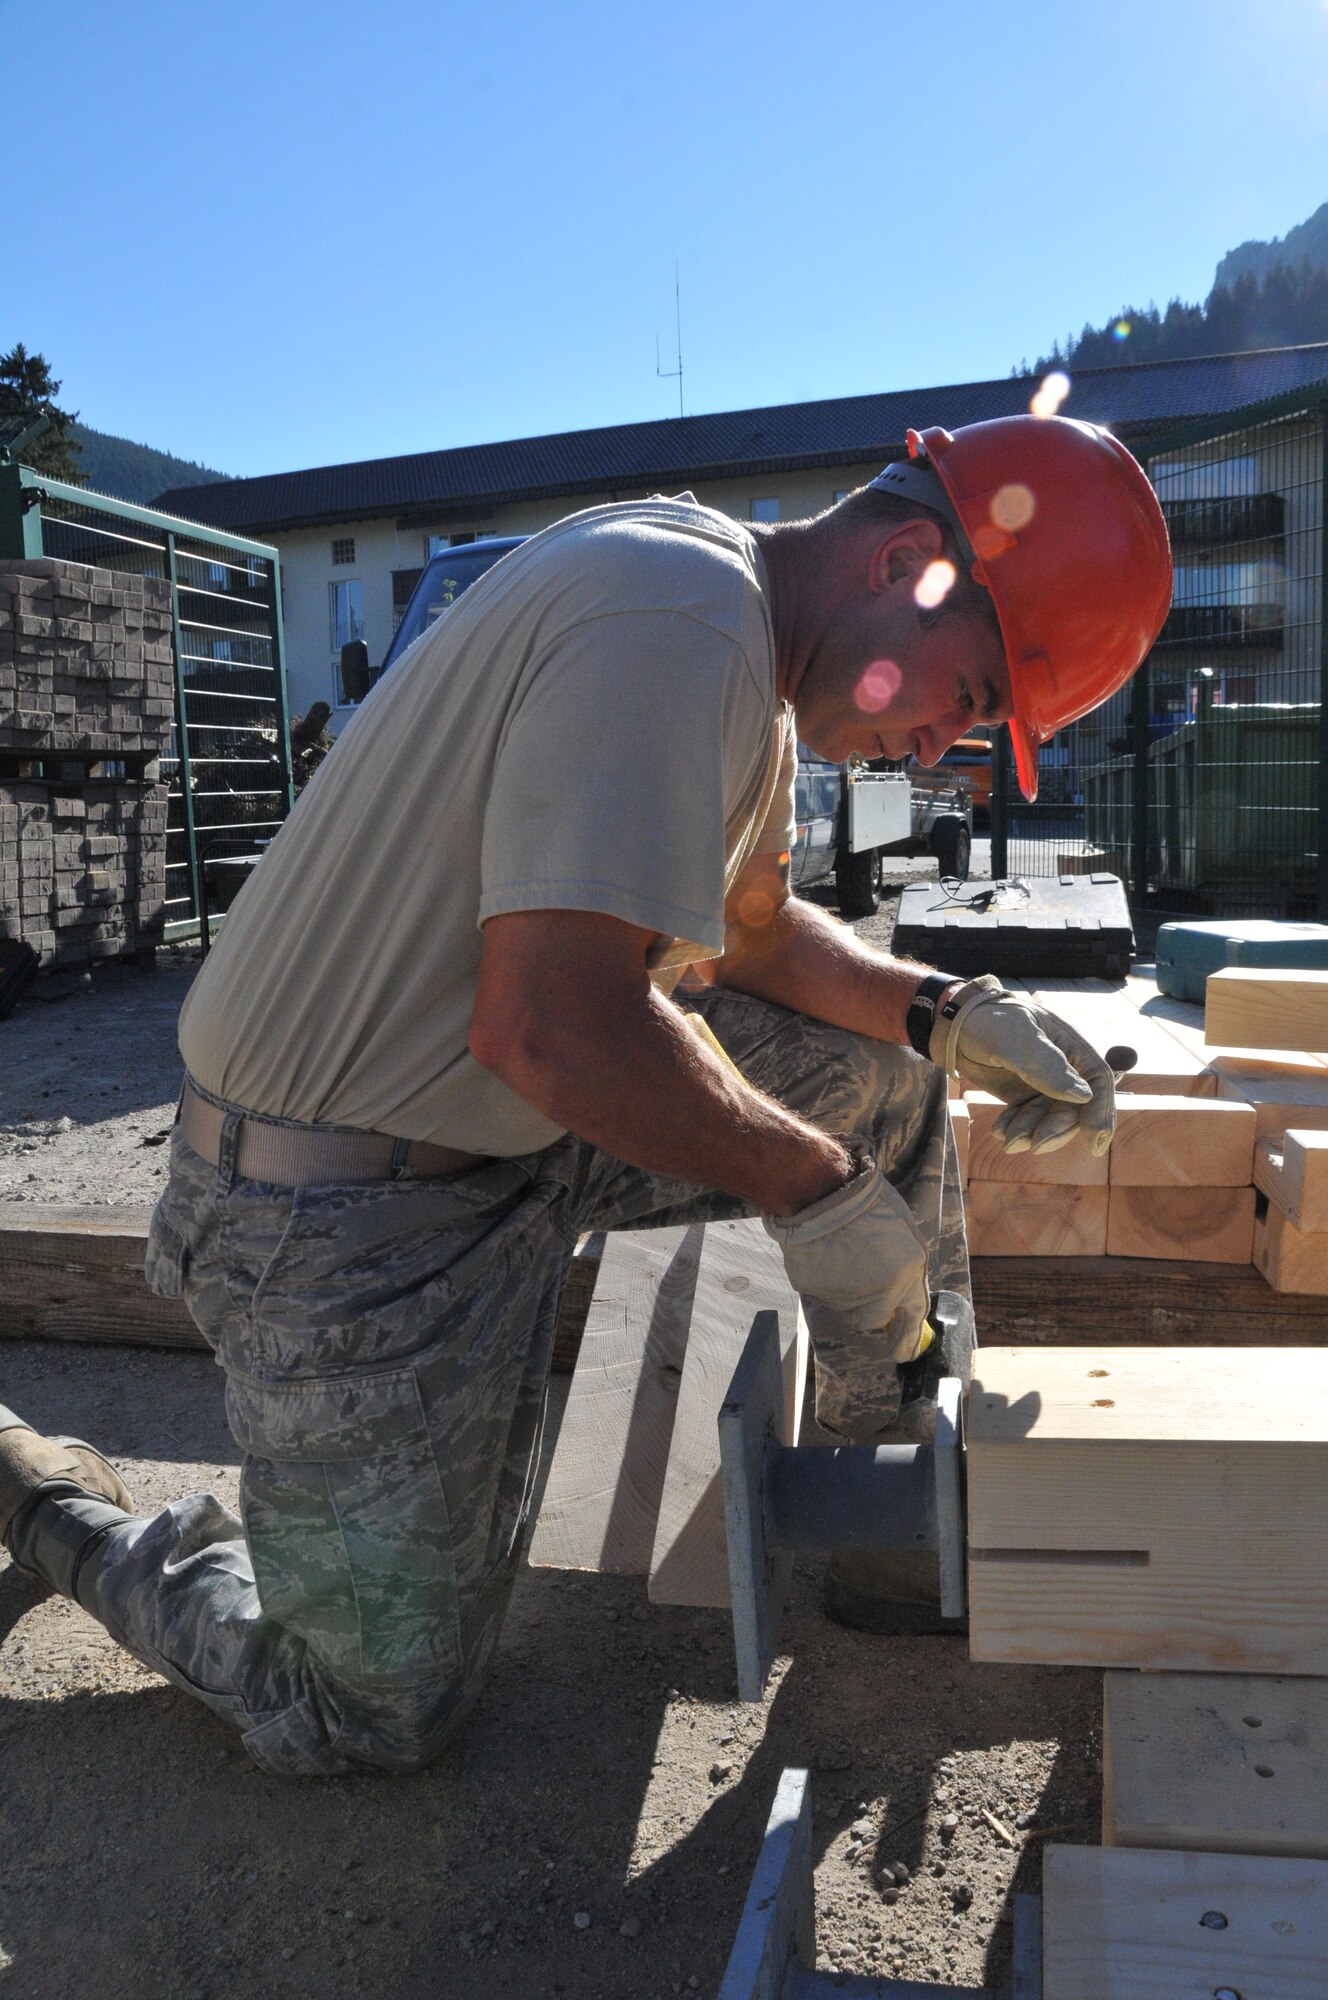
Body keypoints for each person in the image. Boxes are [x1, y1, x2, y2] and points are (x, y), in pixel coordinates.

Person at [0, 415, 1171, 1776]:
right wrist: (814, 1193)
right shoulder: (680, 616)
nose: (931, 755)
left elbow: (753, 938)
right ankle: (58, 1509)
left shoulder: (745, 657)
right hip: (328, 1216)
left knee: (889, 1091)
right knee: (367, 1705)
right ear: (904, 562)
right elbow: (555, 1024)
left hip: (494, 1133)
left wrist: (951, 1014)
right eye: (962, 699)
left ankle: (880, 1521)